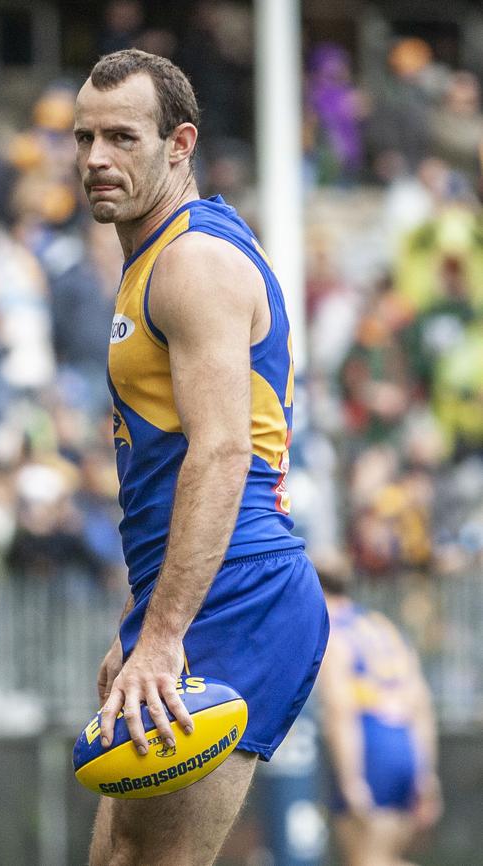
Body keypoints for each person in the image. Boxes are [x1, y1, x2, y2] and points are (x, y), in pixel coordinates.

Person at [74, 49, 329, 866]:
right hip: (199, 592)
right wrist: (144, 616)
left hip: (240, 590)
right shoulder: (152, 256)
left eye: (122, 137)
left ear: (179, 143)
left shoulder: (191, 262)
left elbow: (220, 457)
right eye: (84, 139)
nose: (96, 159)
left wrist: (163, 633)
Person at [314, 549, 442, 866]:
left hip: (369, 748)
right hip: (404, 745)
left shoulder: (332, 634)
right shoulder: (381, 626)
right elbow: (420, 703)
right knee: (384, 855)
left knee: (367, 859)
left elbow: (340, 710)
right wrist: (425, 771)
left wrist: (350, 779)